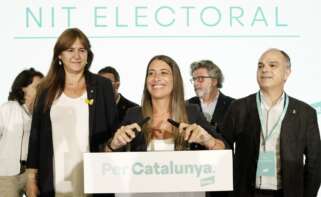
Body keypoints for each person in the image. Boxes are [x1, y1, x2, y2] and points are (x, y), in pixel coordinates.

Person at [106, 55, 226, 197]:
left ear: (175, 80)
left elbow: (224, 148)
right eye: (151, 73)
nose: (156, 78)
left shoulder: (191, 112)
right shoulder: (134, 114)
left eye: (163, 72)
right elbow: (106, 160)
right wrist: (113, 145)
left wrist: (208, 141)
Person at [26, 28, 118, 197]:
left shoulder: (103, 86)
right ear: (59, 55)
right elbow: (35, 137)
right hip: (53, 178)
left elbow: (113, 132)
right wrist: (31, 179)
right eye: (70, 50)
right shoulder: (45, 89)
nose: (77, 56)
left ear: (88, 55)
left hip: (95, 176)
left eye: (82, 50)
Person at [221, 48, 321, 197]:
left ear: (287, 73)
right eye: (260, 66)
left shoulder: (305, 113)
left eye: (272, 65)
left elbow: (315, 163)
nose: (264, 69)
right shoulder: (239, 107)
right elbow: (223, 150)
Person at [0, 68, 43, 197]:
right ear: (23, 88)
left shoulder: (41, 114)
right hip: (7, 173)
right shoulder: (8, 108)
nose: (42, 89)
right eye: (37, 86)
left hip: (32, 172)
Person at [188, 60, 234, 131]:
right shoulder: (186, 105)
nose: (195, 83)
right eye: (194, 79)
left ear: (214, 81)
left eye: (200, 79)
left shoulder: (233, 105)